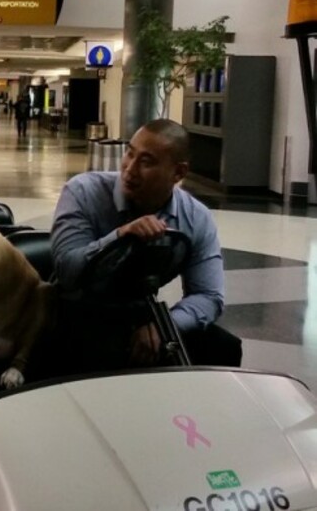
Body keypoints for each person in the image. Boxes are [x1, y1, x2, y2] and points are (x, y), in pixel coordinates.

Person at [50, 118, 242, 374]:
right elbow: (68, 270)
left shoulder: (195, 217)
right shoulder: (83, 192)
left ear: (178, 173)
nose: (130, 169)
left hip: (137, 313)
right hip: (76, 310)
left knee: (222, 347)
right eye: (130, 154)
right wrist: (120, 235)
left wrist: (165, 327)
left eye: (147, 162)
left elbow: (209, 296)